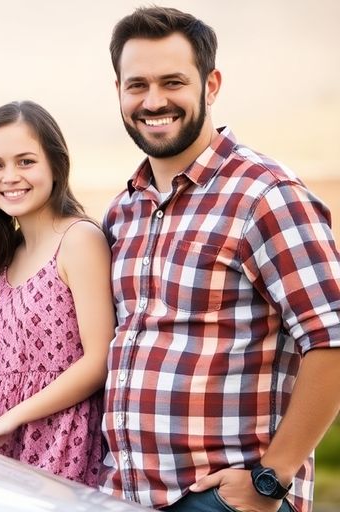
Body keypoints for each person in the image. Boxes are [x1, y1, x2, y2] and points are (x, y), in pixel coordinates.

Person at [101, 6, 340, 512]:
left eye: (173, 82)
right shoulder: (123, 212)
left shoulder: (266, 196)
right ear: (118, 91)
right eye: (136, 84)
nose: (154, 101)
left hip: (220, 499)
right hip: (125, 493)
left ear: (211, 85)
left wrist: (270, 479)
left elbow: (332, 339)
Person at [0, 101, 113, 486]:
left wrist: (15, 416)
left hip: (63, 436)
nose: (10, 176)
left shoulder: (79, 240)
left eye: (25, 161)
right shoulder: (5, 254)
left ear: (56, 165)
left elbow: (98, 361)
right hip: (3, 441)